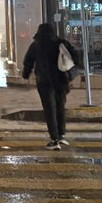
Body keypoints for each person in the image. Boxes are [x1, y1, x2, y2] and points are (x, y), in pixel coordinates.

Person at [22, 23, 80, 151]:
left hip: (45, 82)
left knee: (50, 110)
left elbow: (28, 61)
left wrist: (26, 74)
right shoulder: (60, 43)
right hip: (61, 81)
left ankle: (54, 139)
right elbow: (75, 56)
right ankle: (61, 135)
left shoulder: (36, 45)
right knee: (60, 107)